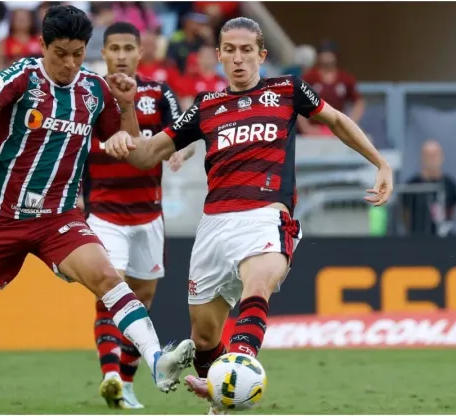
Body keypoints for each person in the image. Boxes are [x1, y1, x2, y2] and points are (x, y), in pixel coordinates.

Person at [102, 17, 393, 415]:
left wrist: (379, 163)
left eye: (246, 50)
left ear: (261, 54)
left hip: (266, 215)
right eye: (230, 50)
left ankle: (240, 365)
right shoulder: (206, 107)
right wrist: (128, 107)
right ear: (219, 54)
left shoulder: (287, 90)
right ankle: (222, 397)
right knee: (204, 338)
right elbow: (145, 156)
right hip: (215, 225)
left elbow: (337, 121)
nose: (238, 59)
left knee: (258, 284)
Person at [0, 6, 195, 415]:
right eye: (61, 54)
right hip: (0, 217)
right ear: (43, 46)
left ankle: (157, 361)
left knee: (106, 275)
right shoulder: (21, 76)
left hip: (59, 217)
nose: (70, 63)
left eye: (77, 53)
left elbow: (130, 146)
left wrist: (125, 107)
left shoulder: (94, 89)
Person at [80, 22, 195, 410]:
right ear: (105, 53)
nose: (122, 56)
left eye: (129, 48)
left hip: (148, 216)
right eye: (115, 48)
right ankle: (110, 372)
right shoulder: (89, 92)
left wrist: (180, 151)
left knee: (141, 299)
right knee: (111, 288)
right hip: (105, 212)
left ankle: (125, 385)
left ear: (140, 53)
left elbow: (186, 135)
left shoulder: (159, 93)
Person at [298, 40, 365, 136]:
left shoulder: (345, 78)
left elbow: (359, 102)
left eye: (329, 53)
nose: (327, 57)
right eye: (323, 53)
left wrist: (350, 125)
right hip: (314, 130)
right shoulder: (309, 77)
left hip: (337, 129)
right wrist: (306, 128)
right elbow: (297, 102)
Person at [402, 140, 456, 236]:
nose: (432, 159)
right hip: (418, 238)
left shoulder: (450, 184)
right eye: (428, 155)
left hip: (443, 238)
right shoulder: (412, 185)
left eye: (435, 155)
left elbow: (452, 211)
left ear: (442, 156)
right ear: (422, 158)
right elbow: (405, 215)